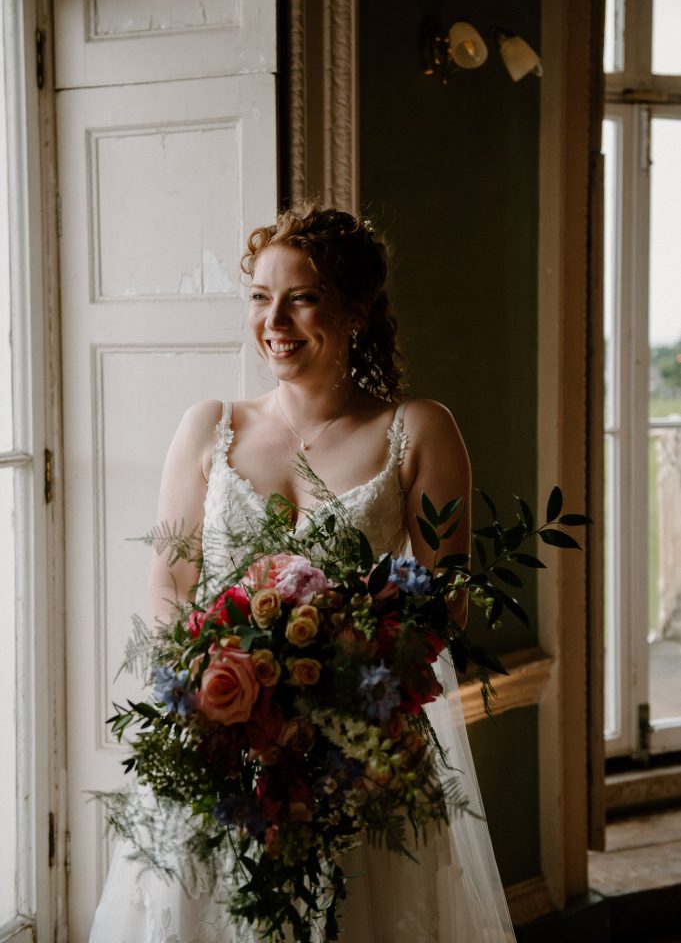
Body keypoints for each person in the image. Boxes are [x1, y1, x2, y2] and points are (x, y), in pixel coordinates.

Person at [89, 203, 516, 942]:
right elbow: (167, 584)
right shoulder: (211, 423)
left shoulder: (416, 429)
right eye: (260, 296)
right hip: (222, 744)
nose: (273, 320)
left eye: (302, 297)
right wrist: (209, 672)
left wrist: (331, 690)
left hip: (361, 758)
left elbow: (445, 604)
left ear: (355, 311)